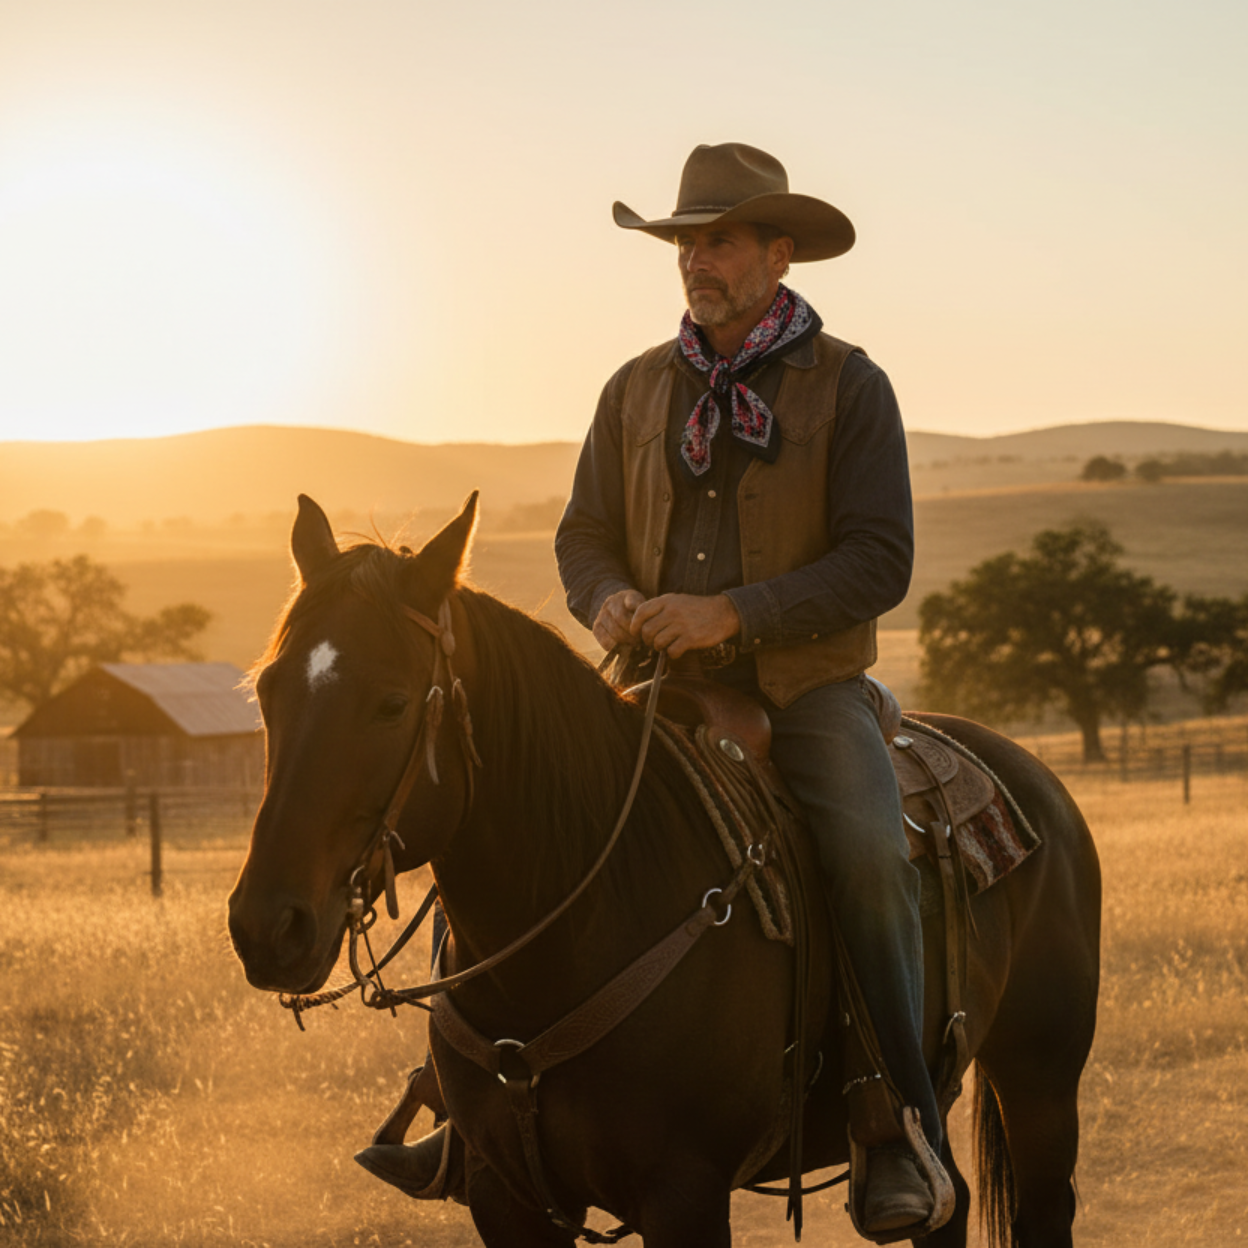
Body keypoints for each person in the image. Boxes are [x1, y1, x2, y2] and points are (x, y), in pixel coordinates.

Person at [553, 142, 947, 1237]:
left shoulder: (849, 385)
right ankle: (474, 1096)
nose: (696, 259)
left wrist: (737, 613)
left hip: (804, 690)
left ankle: (896, 1125)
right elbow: (583, 533)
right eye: (685, 239)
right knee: (521, 812)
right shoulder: (635, 388)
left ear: (779, 252)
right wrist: (607, 601)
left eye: (719, 237)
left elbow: (881, 560)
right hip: (656, 688)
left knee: (868, 853)